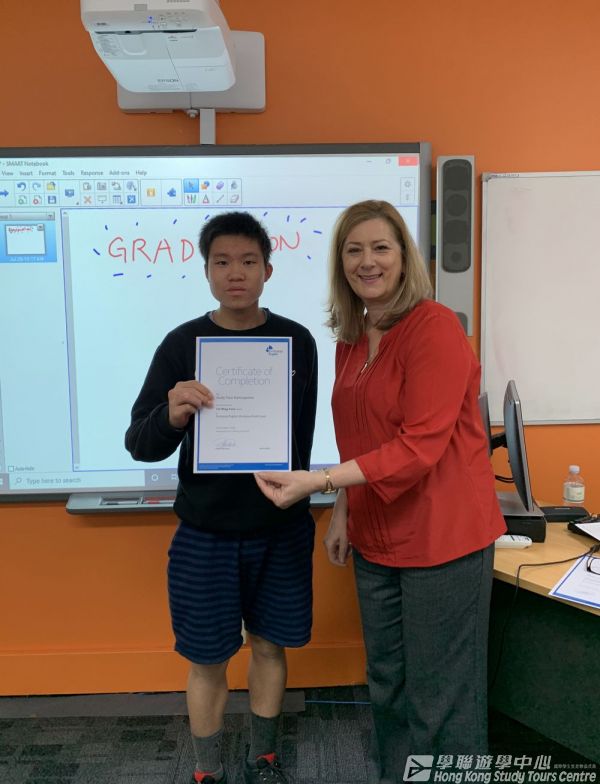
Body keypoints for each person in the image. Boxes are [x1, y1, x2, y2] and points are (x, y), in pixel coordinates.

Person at [254, 200, 506, 783]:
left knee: (442, 694)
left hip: (443, 539)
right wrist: (343, 508)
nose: (367, 261)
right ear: (340, 263)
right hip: (376, 537)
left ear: (403, 257)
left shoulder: (435, 328)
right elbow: (359, 436)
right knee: (388, 682)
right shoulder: (351, 337)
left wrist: (320, 482)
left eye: (380, 248)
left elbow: (419, 446)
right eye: (353, 250)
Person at [125, 211, 318, 784]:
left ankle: (264, 758)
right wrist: (172, 414)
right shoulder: (182, 344)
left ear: (268, 270)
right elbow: (140, 443)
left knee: (270, 648)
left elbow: (302, 441)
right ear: (206, 271)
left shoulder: (297, 342)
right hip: (204, 533)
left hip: (280, 528)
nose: (236, 273)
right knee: (207, 659)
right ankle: (207, 769)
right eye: (222, 262)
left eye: (248, 261)